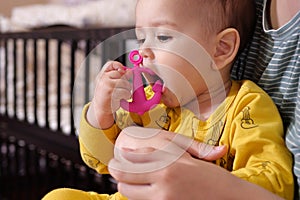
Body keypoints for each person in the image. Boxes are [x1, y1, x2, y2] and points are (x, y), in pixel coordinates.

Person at [42, 0, 296, 200]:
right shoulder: (150, 102)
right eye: (141, 39)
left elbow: (273, 180)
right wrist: (101, 111)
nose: (142, 52)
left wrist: (213, 183)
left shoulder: (246, 105)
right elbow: (100, 158)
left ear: (221, 49)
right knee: (59, 196)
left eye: (162, 37)